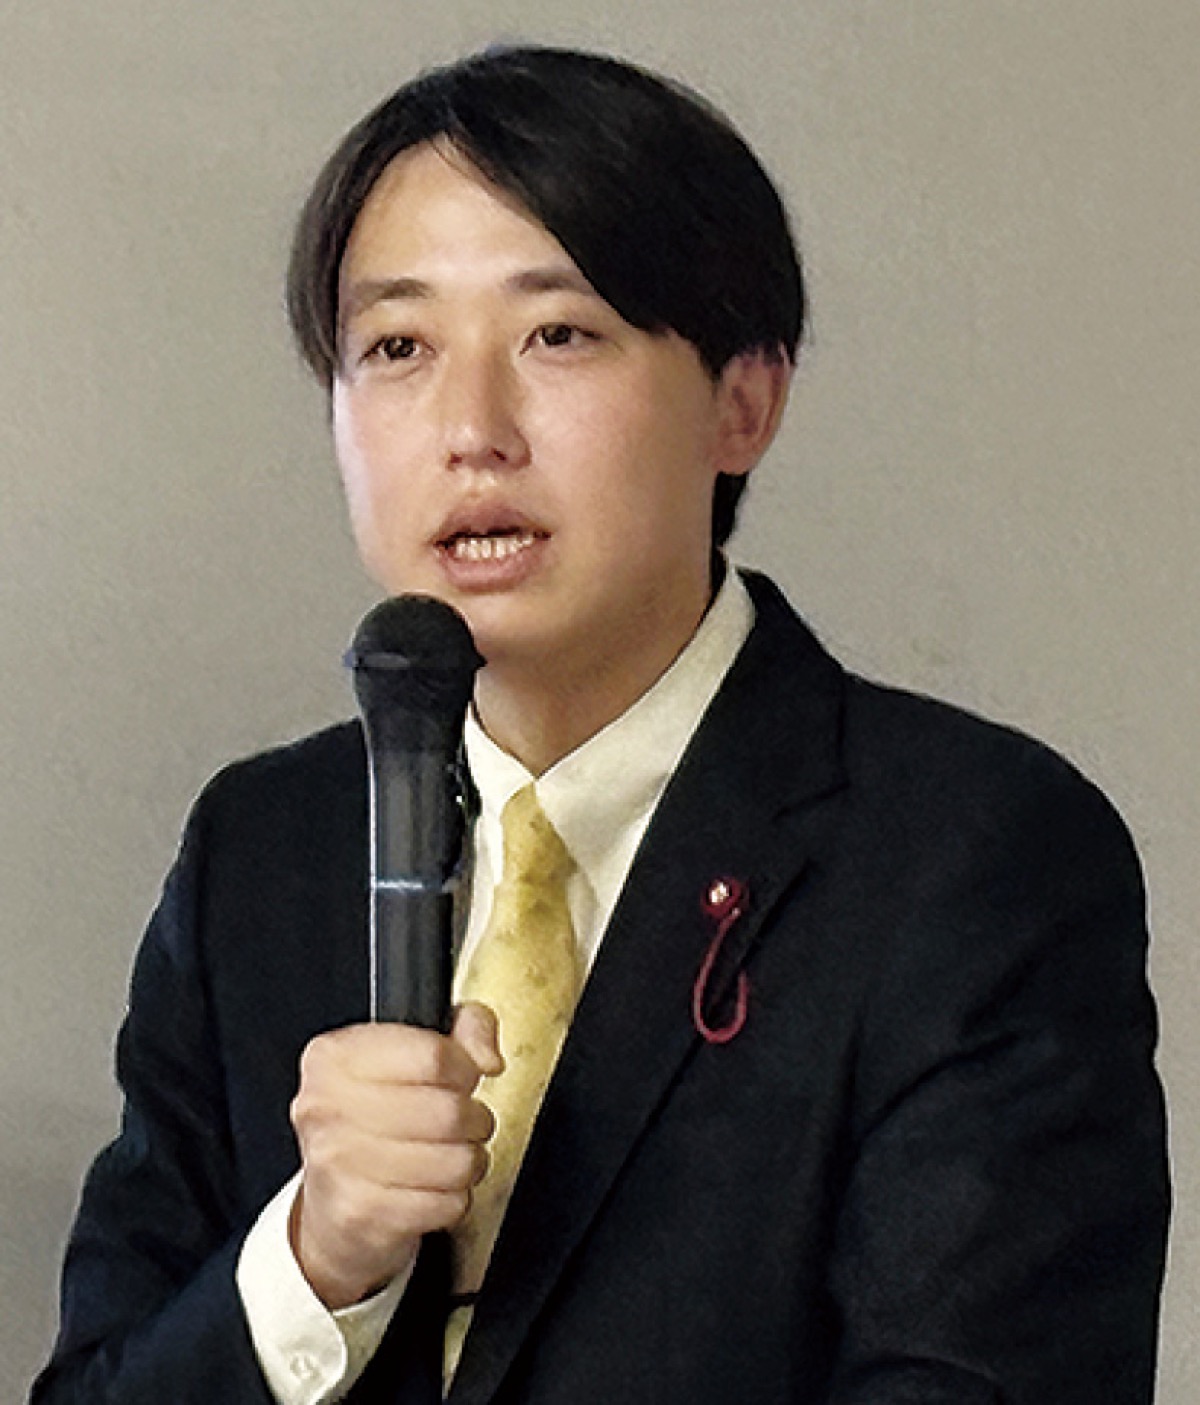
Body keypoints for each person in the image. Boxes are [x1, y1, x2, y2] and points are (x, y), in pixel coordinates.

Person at [32, 44, 1168, 1405]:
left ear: (745, 399)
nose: (472, 429)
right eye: (397, 347)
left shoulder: (972, 857)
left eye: (557, 335)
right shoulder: (262, 852)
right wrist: (314, 1261)